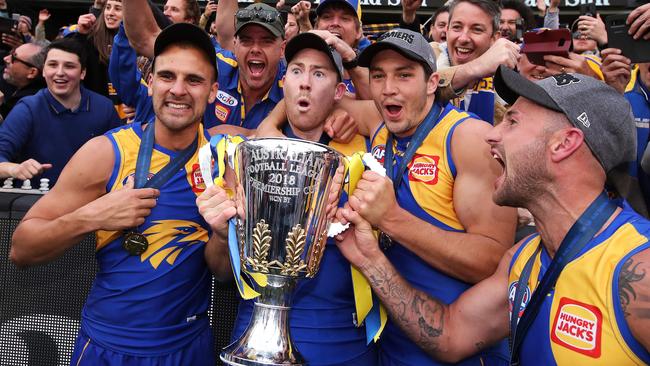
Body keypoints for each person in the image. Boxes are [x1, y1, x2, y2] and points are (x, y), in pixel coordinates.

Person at [335, 65, 650, 364]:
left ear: (563, 144)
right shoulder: (523, 258)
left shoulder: (639, 269)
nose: (492, 134)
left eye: (512, 121)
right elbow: (449, 334)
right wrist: (369, 260)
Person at [10, 23, 229, 364]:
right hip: (106, 348)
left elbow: (224, 274)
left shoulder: (222, 163)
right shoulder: (106, 153)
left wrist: (221, 233)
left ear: (213, 90)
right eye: (167, 75)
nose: (178, 90)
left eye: (194, 80)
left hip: (188, 347)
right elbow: (21, 249)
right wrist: (95, 215)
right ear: (151, 81)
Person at [334, 28, 516, 365]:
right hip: (388, 345)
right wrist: (272, 124)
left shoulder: (468, 139)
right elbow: (320, 102)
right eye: (379, 76)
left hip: (460, 350)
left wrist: (391, 218)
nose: (388, 88)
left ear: (433, 83)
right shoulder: (379, 121)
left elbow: (493, 262)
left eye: (404, 75)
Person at [211, 32, 377, 365]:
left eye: (319, 74)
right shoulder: (243, 160)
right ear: (283, 82)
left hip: (342, 344)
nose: (305, 84)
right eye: (297, 71)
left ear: (339, 91)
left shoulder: (366, 159)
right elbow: (221, 272)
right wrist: (219, 232)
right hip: (254, 339)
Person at [0, 38, 120, 185]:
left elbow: (122, 155)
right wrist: (15, 169)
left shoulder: (104, 108)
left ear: (82, 73)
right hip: (38, 202)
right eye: (52, 65)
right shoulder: (28, 109)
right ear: (43, 71)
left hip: (91, 202)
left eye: (69, 66)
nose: (60, 72)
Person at [0, 41, 47, 119]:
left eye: (14, 58)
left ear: (32, 72)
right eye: (11, 53)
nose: (6, 58)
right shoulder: (17, 83)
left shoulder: (26, 104)